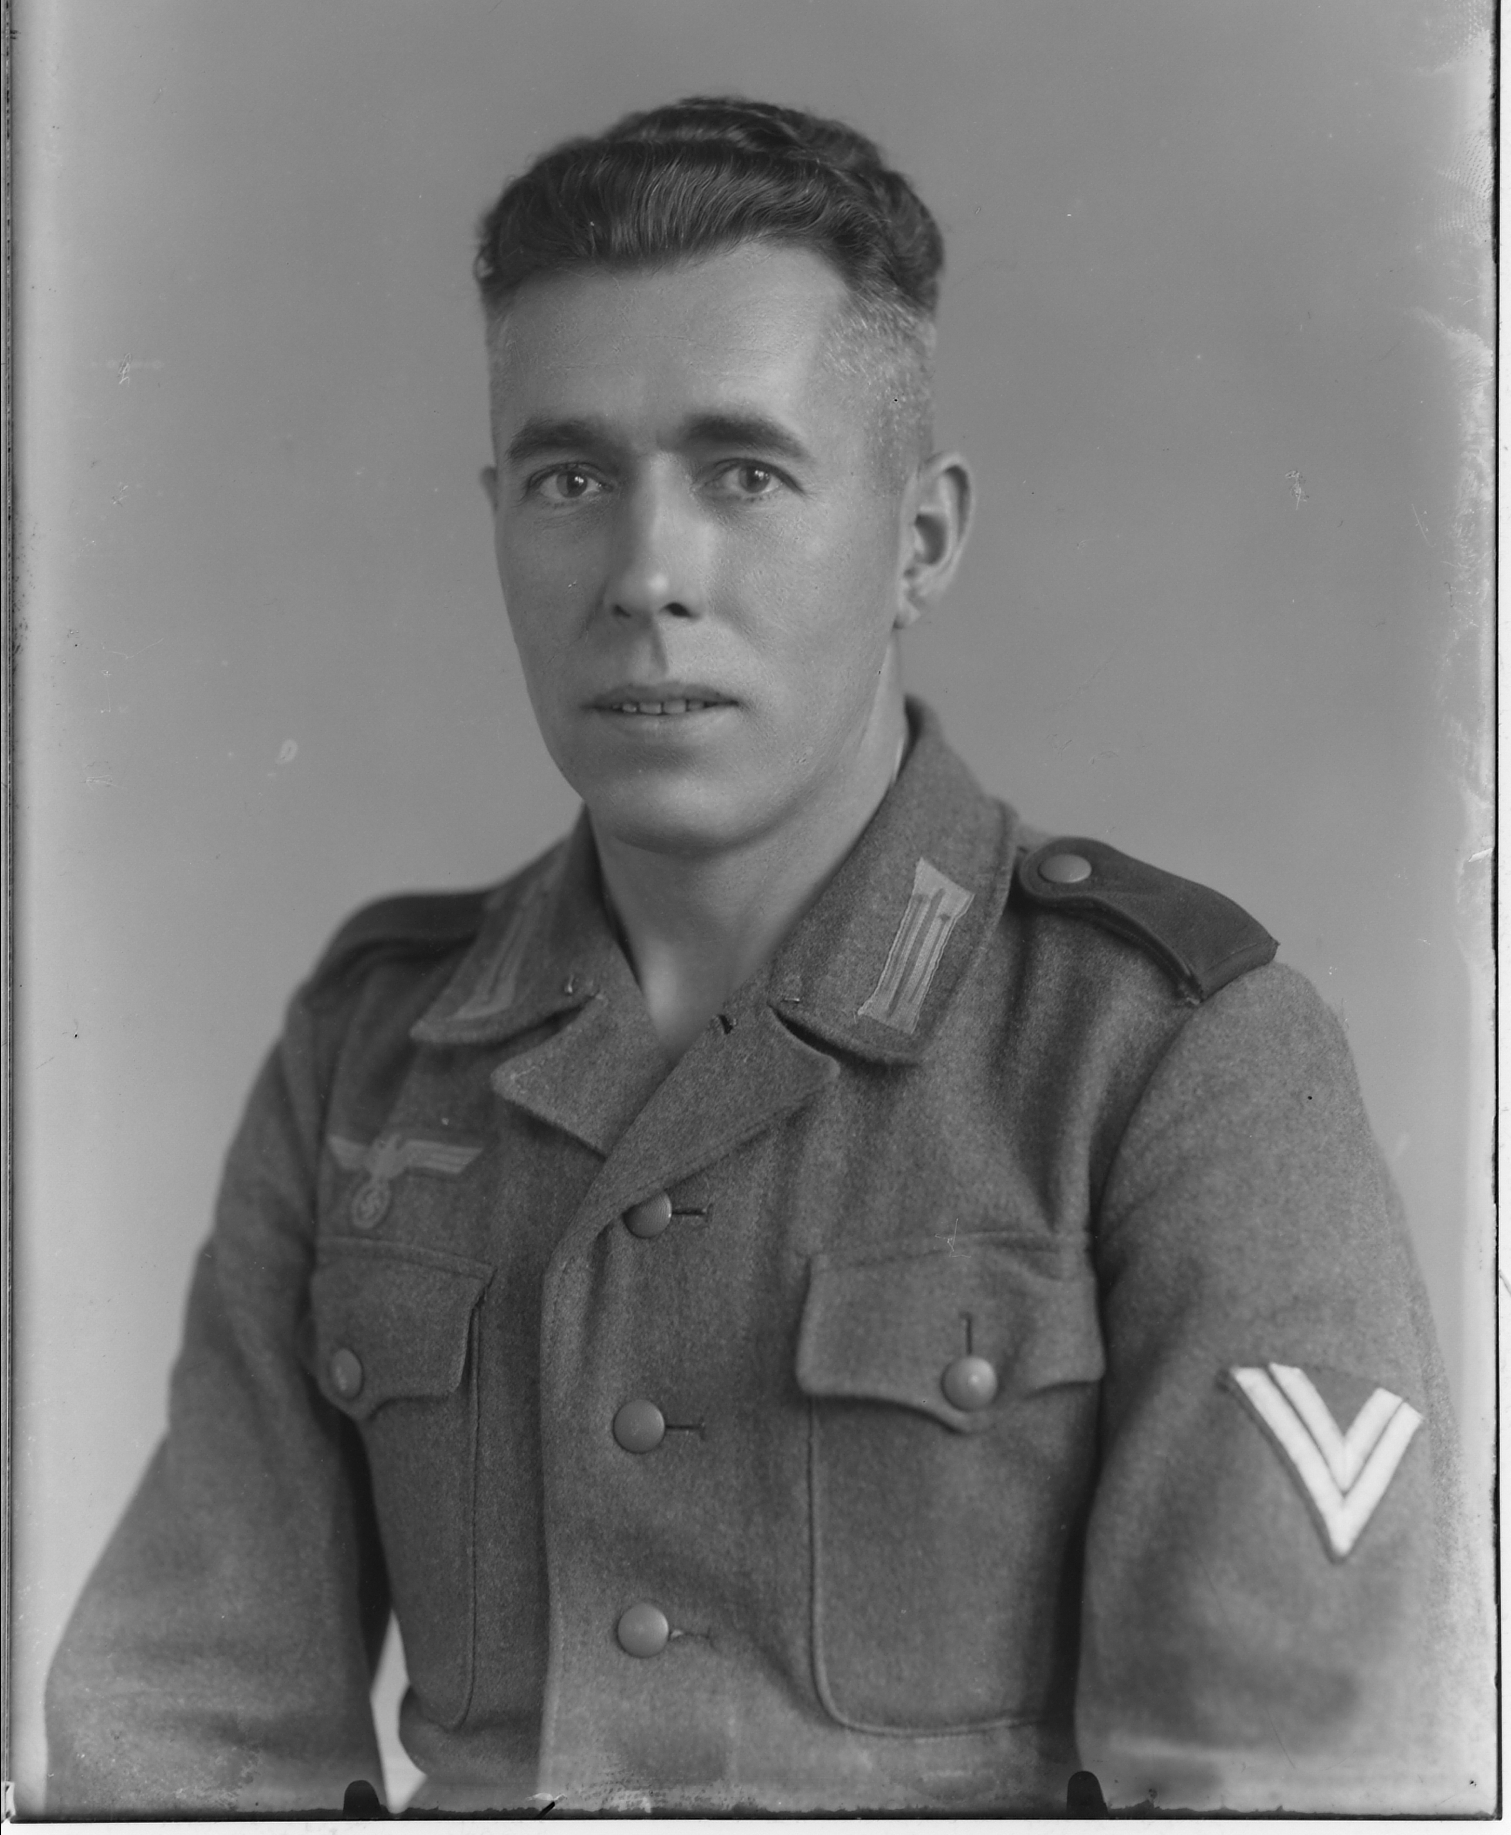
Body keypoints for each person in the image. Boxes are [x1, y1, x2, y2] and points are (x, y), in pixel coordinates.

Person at [46, 97, 1490, 1816]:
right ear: (497, 516)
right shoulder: (372, 1052)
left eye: (744, 473)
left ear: (920, 541)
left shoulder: (1167, 1052)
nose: (645, 575)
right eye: (572, 480)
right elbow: (176, 1747)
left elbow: (1293, 1778)